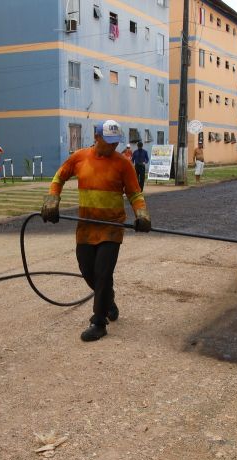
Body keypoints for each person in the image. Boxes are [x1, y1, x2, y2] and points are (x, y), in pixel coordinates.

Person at [40, 119, 151, 342]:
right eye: (108, 142)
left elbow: (135, 194)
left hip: (112, 227)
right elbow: (59, 177)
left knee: (102, 272)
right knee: (87, 270)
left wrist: (142, 214)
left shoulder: (123, 164)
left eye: (115, 143)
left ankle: (98, 321)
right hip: (86, 226)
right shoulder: (79, 157)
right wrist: (52, 199)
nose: (113, 147)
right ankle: (108, 300)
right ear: (97, 137)